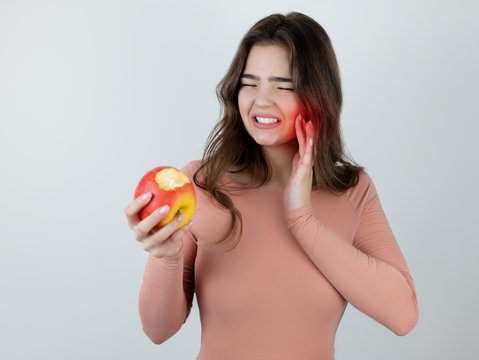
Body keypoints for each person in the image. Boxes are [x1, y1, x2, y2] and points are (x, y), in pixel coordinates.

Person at [124, 11, 418, 360]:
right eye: (250, 83)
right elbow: (158, 330)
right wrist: (166, 255)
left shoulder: (352, 191)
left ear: (318, 95)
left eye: (284, 85)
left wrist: (302, 218)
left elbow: (403, 316)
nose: (261, 100)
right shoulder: (199, 184)